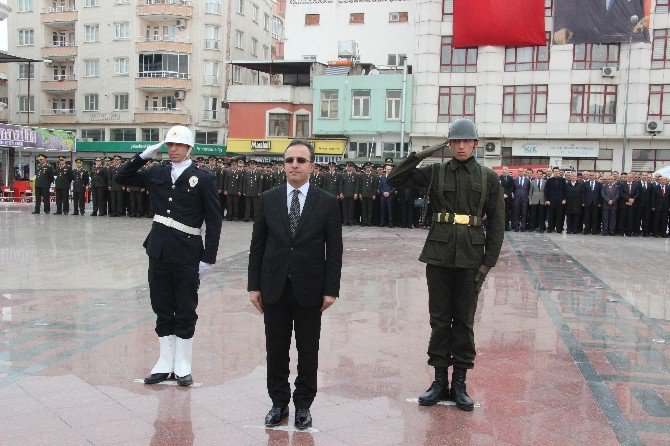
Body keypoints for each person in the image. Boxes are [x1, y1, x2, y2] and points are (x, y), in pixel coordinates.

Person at [387, 118, 505, 411]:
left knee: (464, 321)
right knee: (439, 320)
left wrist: (487, 263)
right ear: (449, 144)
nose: (461, 146)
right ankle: (439, 381)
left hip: (471, 257)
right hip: (439, 254)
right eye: (455, 141)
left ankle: (460, 383)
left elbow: (498, 224)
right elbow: (395, 178)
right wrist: (426, 152)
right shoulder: (435, 171)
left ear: (476, 144)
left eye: (466, 141)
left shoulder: (488, 177)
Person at [115, 125, 222, 387]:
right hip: (160, 249)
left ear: (188, 148)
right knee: (161, 305)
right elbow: (121, 177)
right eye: (169, 145)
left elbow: (214, 220)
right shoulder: (157, 171)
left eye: (178, 145)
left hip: (187, 250)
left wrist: (208, 257)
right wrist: (143, 156)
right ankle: (164, 363)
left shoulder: (203, 177)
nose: (173, 149)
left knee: (185, 307)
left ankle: (183, 364)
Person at [248, 139, 343, 430]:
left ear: (311, 165)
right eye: (290, 160)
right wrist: (254, 286)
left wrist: (331, 290)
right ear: (283, 164)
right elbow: (258, 246)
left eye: (301, 160)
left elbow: (335, 250)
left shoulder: (326, 202)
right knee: (276, 349)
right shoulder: (268, 199)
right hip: (274, 287)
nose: (294, 165)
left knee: (307, 350)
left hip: (310, 289)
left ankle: (303, 405)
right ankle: (278, 403)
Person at [545, 167, 567, 233]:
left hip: (560, 201)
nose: (556, 172)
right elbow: (547, 190)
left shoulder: (562, 180)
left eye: (557, 171)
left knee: (559, 215)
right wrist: (547, 200)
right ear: (553, 172)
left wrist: (564, 199)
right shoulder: (549, 180)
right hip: (551, 201)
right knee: (551, 215)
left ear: (559, 172)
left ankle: (559, 229)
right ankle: (550, 228)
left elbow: (565, 190)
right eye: (555, 171)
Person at [357, 162, 379, 227]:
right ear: (365, 168)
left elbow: (375, 186)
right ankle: (364, 222)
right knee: (363, 209)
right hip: (363, 194)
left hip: (370, 194)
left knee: (369, 209)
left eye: (369, 167)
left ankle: (369, 222)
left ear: (371, 168)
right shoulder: (362, 175)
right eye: (367, 167)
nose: (368, 168)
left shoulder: (374, 176)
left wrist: (374, 194)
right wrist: (360, 193)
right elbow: (360, 185)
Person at [341, 161, 359, 226]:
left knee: (351, 208)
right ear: (346, 167)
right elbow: (341, 185)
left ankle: (351, 221)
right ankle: (345, 221)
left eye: (350, 166)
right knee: (345, 208)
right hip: (345, 194)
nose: (349, 168)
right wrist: (341, 193)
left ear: (353, 167)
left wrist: (356, 193)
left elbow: (357, 185)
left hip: (352, 194)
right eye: (348, 166)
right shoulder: (343, 175)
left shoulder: (356, 175)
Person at [499, 166, 515, 231]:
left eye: (506, 169)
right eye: (503, 169)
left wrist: (507, 194)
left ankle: (507, 226)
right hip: (501, 197)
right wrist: (502, 194)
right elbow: (498, 187)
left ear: (508, 171)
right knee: (501, 212)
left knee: (507, 212)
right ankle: (501, 226)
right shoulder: (499, 178)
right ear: (502, 170)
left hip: (508, 198)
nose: (505, 170)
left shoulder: (511, 178)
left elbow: (512, 187)